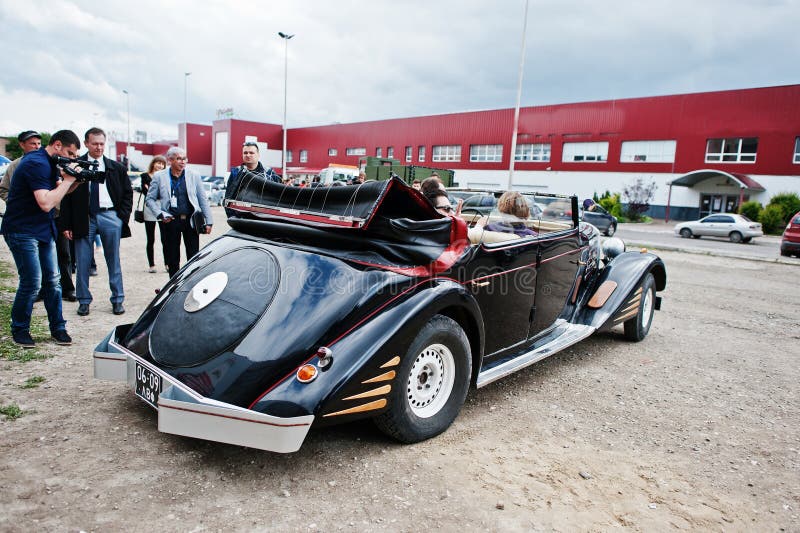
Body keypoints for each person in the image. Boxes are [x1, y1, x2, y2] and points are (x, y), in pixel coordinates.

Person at [0, 130, 81, 347]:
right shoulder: (36, 162)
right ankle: (20, 330)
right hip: (22, 229)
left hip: (43, 228)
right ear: (57, 145)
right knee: (32, 282)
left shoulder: (49, 162)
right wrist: (68, 180)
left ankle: (58, 328)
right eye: (70, 153)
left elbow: (57, 192)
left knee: (53, 282)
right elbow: (46, 202)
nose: (72, 159)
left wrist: (75, 182)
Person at [60, 127, 133, 316]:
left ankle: (117, 299)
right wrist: (67, 224)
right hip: (84, 217)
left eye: (101, 143)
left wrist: (121, 217)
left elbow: (127, 193)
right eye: (95, 144)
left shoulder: (116, 168)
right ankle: (83, 300)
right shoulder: (75, 165)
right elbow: (65, 197)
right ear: (86, 143)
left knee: (113, 260)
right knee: (82, 261)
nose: (99, 147)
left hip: (110, 215)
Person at [146, 146, 213, 277]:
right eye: (179, 159)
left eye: (184, 159)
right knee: (173, 258)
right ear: (170, 160)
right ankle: (173, 288)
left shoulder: (194, 175)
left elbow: (202, 199)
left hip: (191, 221)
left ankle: (191, 283)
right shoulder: (159, 176)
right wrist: (160, 214)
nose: (183, 162)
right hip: (171, 221)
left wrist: (209, 221)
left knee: (193, 257)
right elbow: (150, 199)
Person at [224, 141, 280, 216]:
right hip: (241, 219)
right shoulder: (235, 173)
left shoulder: (269, 173)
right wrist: (233, 218)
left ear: (258, 154)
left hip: (264, 219)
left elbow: (278, 198)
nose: (248, 155)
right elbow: (228, 198)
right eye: (245, 153)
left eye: (251, 153)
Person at [140, 155, 167, 272]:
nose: (160, 166)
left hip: (163, 209)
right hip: (149, 210)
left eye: (162, 164)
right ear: (153, 163)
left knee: (165, 239)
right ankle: (152, 265)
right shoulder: (145, 176)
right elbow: (147, 192)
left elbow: (164, 193)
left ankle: (168, 264)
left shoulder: (166, 177)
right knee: (150, 239)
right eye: (158, 163)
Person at [0, 130, 43, 201]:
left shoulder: (48, 162)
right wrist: (14, 203)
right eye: (33, 144)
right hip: (22, 210)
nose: (37, 147)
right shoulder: (15, 164)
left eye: (39, 143)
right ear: (22, 145)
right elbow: (3, 189)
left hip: (45, 209)